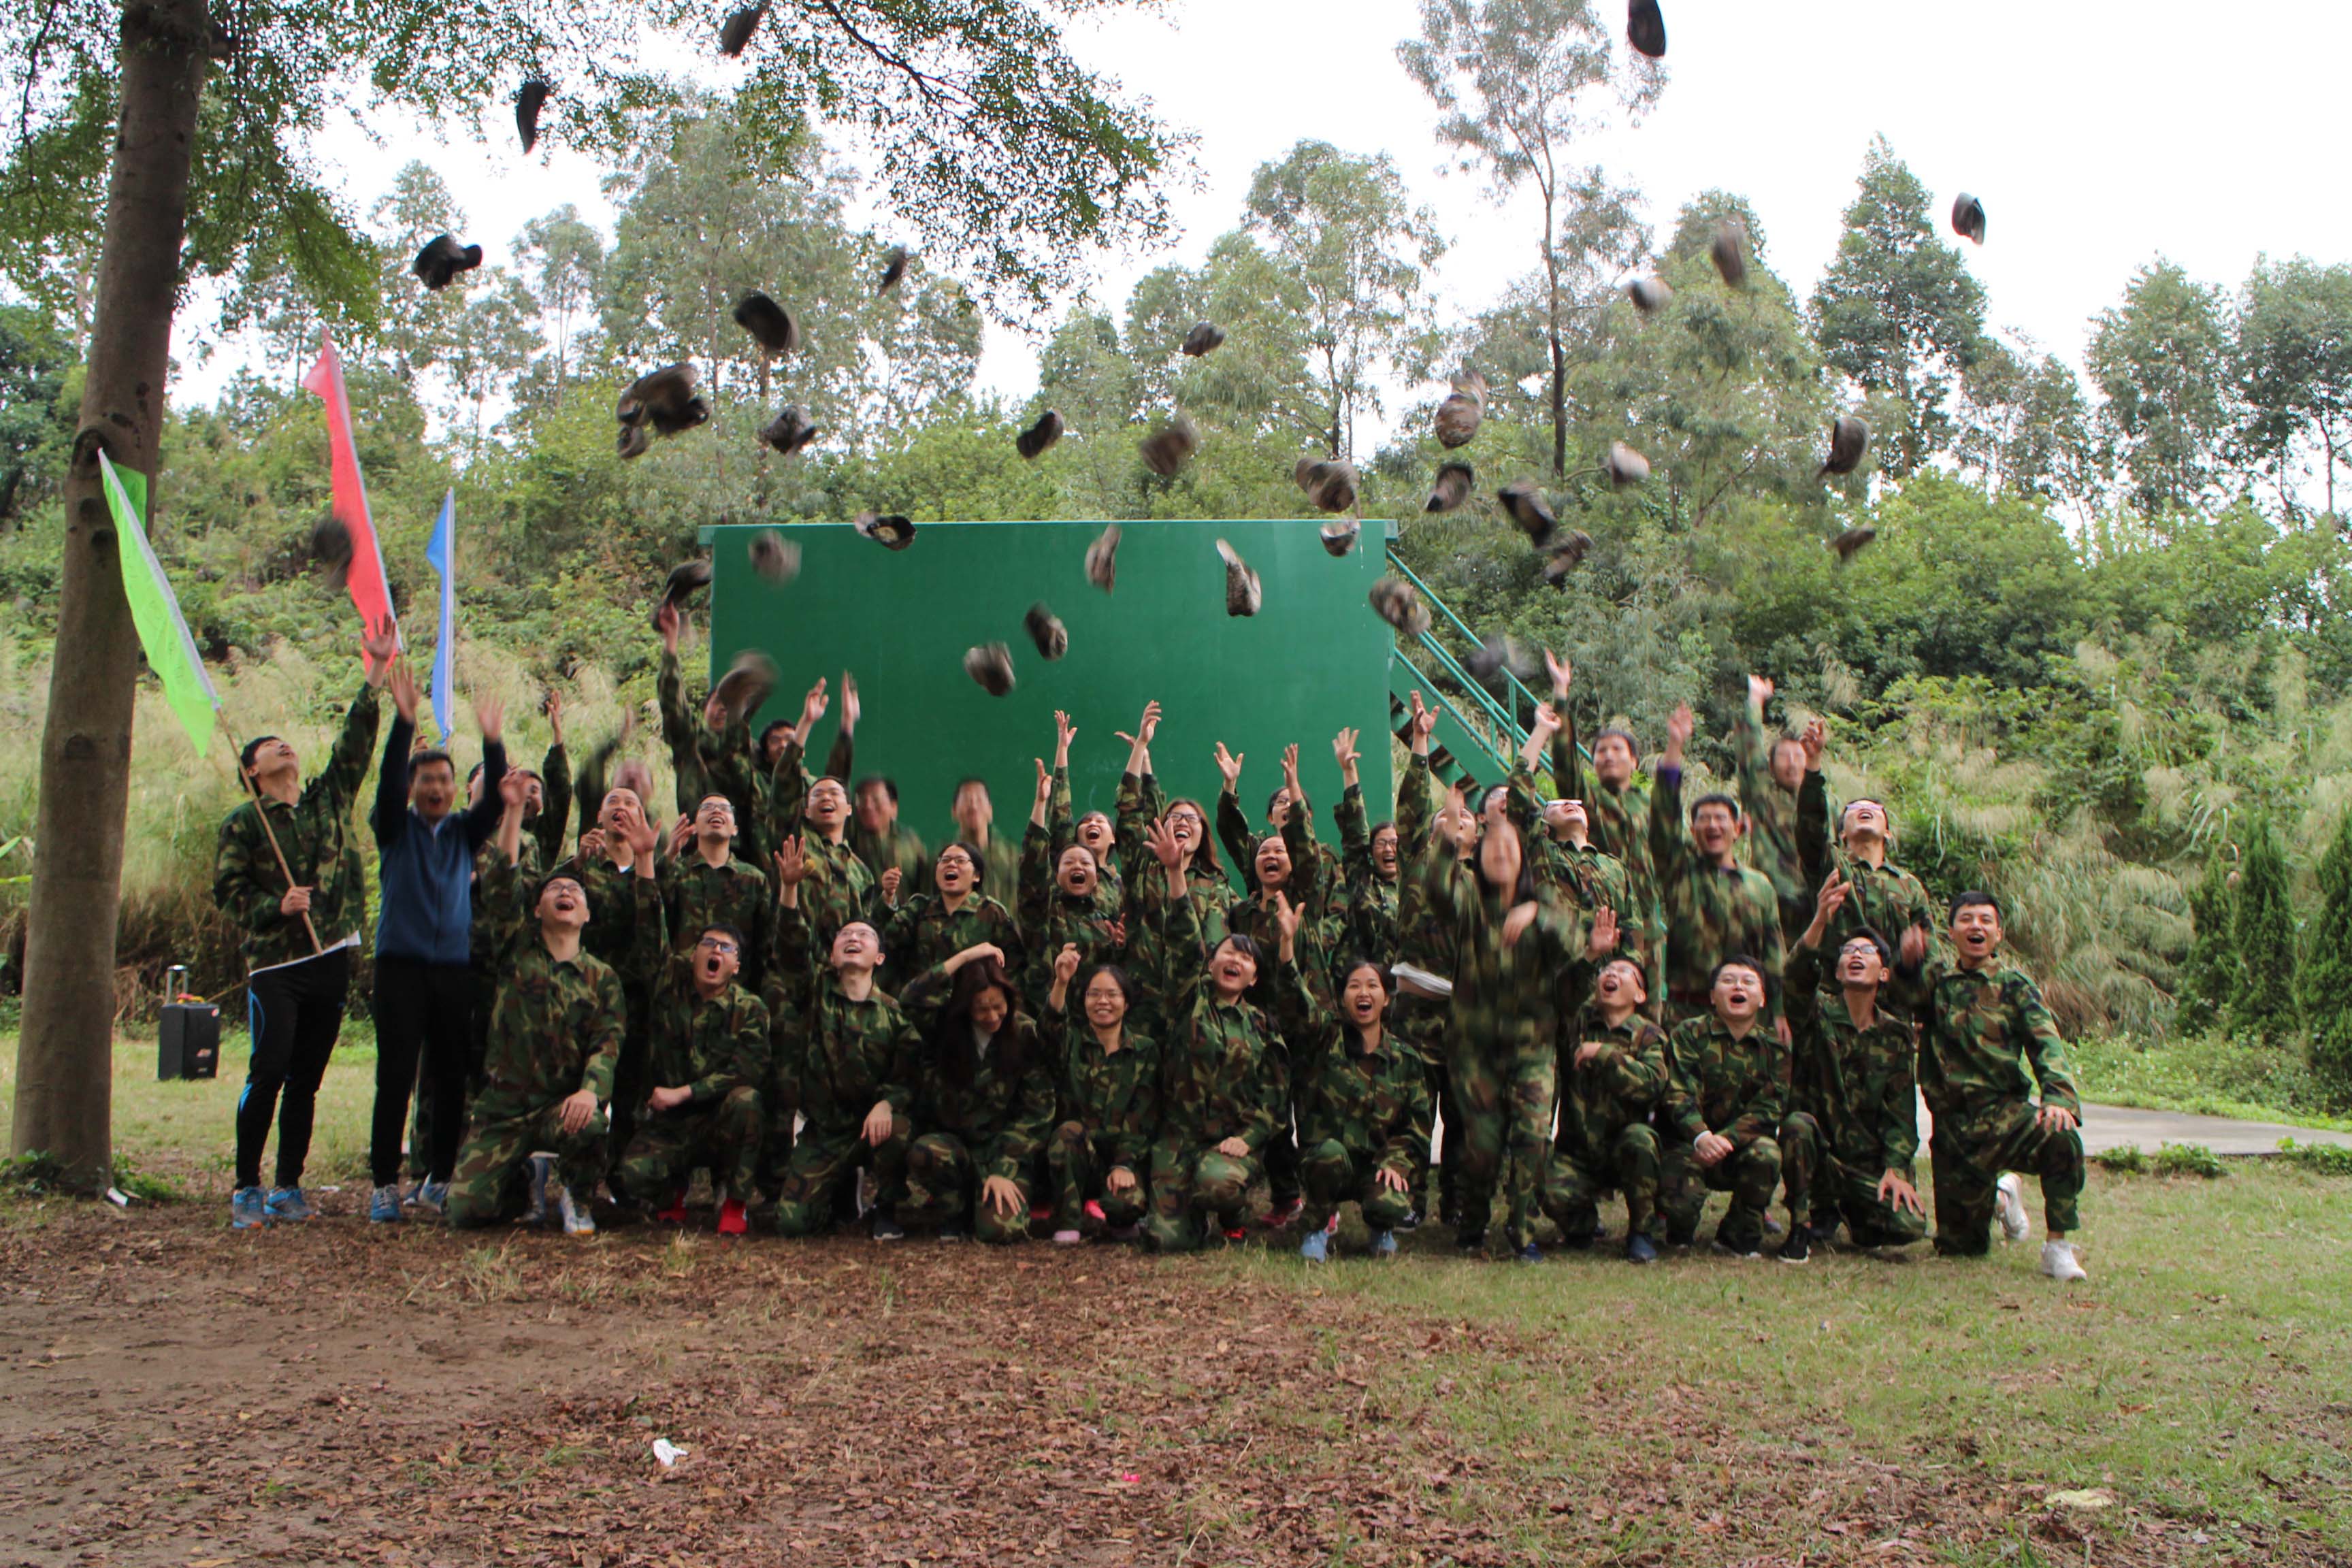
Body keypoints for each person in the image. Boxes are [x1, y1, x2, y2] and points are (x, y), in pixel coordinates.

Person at [212, 616, 394, 1228]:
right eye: (268, 747)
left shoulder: (326, 801)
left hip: (330, 957)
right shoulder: (244, 822)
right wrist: (276, 908)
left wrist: (374, 674)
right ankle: (246, 1187)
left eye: (284, 742)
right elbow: (228, 890)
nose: (282, 746)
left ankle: (289, 1184)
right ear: (251, 772)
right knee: (268, 1070)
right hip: (277, 966)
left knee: (307, 1079)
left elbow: (355, 745)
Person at [445, 774, 636, 1235]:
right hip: (504, 1110)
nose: (566, 893)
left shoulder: (601, 977)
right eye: (555, 890)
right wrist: (511, 812)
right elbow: (501, 884)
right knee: (464, 1212)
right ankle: (517, 1184)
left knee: (590, 1121)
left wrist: (591, 1089)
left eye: (575, 892)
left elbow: (607, 1044)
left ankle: (577, 1195)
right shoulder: (515, 950)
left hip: (560, 1108)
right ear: (537, 909)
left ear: (588, 915)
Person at [1420, 787, 1587, 1263]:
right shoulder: (1470, 902)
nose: (1499, 853)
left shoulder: (1546, 907)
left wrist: (1539, 913)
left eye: (1509, 848)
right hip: (1476, 1052)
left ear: (1524, 860)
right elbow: (1436, 887)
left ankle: (1521, 1227)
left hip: (1533, 1049)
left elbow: (1576, 952)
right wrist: (1450, 835)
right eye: (1492, 846)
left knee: (1533, 1137)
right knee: (1483, 1144)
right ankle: (1472, 1222)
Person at [369, 662, 506, 1224]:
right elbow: (384, 786)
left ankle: (439, 1179)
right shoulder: (394, 830)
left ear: (454, 791)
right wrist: (404, 723)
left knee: (451, 1077)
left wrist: (494, 743)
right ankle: (384, 1184)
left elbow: (494, 803)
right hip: (399, 967)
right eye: (425, 781)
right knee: (396, 1075)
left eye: (444, 782)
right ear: (412, 790)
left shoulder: (462, 835)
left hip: (454, 970)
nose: (436, 789)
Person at [1895, 892, 2089, 1281]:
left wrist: (2059, 1098)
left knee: (2061, 1138)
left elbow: (2045, 1042)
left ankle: (2057, 1247)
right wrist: (1907, 962)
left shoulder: (2014, 986)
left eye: (1986, 920)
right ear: (1951, 932)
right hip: (1953, 1131)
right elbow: (1901, 998)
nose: (1976, 927)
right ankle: (2003, 1194)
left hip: (2004, 1116)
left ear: (1999, 933)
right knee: (1961, 1249)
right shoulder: (1937, 984)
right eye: (1966, 919)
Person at [1140, 817, 1288, 1253]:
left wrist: (1251, 1137)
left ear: (1255, 977)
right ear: (1212, 962)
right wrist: (1174, 873)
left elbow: (1274, 1097)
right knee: (1165, 1240)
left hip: (1228, 1139)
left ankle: (1231, 1214)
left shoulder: (1262, 1026)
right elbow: (1185, 942)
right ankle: (1191, 1221)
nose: (1234, 962)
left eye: (1245, 959)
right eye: (1227, 953)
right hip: (1179, 1137)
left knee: (1218, 1186)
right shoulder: (1188, 999)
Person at [768, 834, 919, 1239]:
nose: (853, 939)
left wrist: (887, 1103)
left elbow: (908, 1075)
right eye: (844, 937)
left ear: (879, 958)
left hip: (873, 1127)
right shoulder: (813, 992)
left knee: (900, 1130)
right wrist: (789, 888)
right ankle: (838, 1190)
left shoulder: (893, 1014)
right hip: (826, 1131)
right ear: (832, 955)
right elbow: (792, 948)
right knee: (792, 1225)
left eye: (865, 936)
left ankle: (885, 1206)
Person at [1776, 874, 1927, 1262]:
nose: (1857, 955)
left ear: (1885, 973)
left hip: (1863, 1166)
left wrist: (1895, 1168)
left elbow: (1901, 1112)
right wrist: (1821, 920)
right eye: (1848, 951)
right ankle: (1803, 1223)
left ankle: (1853, 1215)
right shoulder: (1817, 1014)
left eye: (1869, 951)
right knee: (1796, 1126)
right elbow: (1795, 978)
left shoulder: (1895, 1034)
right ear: (1838, 972)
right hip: (1819, 1155)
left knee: (1909, 1227)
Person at [620, 891, 770, 1237]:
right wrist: (645, 863)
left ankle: (735, 1203)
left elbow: (749, 1069)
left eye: (726, 948)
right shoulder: (669, 985)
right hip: (670, 1125)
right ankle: (671, 1193)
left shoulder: (750, 1008)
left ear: (736, 967)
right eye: (709, 943)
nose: (716, 950)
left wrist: (684, 1093)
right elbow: (648, 937)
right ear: (693, 954)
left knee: (748, 1101)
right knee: (633, 1175)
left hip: (720, 1121)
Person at [894, 945, 1058, 1243]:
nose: (993, 1016)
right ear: (965, 1006)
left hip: (1005, 1153)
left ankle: (989, 1202)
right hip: (959, 1149)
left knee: (1001, 1231)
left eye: (999, 1006)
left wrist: (1002, 1169)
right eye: (982, 1009)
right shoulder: (945, 1030)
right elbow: (910, 999)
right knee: (925, 1152)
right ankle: (954, 1210)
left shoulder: (1024, 1033)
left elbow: (1037, 1112)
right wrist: (966, 958)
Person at [1280, 938, 1430, 1263]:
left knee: (1390, 1199)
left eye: (1372, 986)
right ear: (1343, 998)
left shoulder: (1406, 1060)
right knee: (1330, 1156)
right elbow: (1296, 997)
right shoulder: (1323, 1040)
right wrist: (1288, 943)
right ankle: (1316, 1228)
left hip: (1375, 1165)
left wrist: (1396, 1161)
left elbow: (1417, 1127)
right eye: (1354, 986)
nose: (1363, 993)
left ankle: (1381, 1227)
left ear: (1386, 998)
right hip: (1328, 1162)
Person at [1650, 703, 1786, 1029]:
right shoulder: (1680, 870)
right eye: (1704, 819)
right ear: (1693, 830)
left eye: (1721, 819)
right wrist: (1675, 746)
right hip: (1687, 1016)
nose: (1713, 826)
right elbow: (1663, 819)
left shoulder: (1759, 885)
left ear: (1739, 829)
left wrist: (1778, 1012)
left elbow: (1774, 955)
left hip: (1748, 1020)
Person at [1540, 930, 1671, 1266]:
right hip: (1580, 1149)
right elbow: (1564, 992)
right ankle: (1583, 1225)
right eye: (1606, 971)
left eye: (1625, 972)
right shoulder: (1580, 1021)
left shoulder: (1650, 1035)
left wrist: (1604, 1055)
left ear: (1640, 994)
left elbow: (1651, 1084)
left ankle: (1641, 1231)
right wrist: (1590, 955)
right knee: (1548, 1187)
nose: (1612, 974)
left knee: (1641, 1141)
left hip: (1624, 1148)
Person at [1548, 651, 1662, 1015]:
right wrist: (1561, 697)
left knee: (1650, 1016)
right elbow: (1566, 766)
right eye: (1600, 751)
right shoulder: (1589, 800)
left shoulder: (1652, 806)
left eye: (1617, 749)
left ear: (1634, 761)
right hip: (1602, 922)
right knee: (1599, 1011)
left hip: (1651, 929)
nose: (1608, 756)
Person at [1657, 957, 1790, 1257]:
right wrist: (1702, 1137)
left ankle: (1737, 1234)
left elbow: (1769, 1109)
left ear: (1762, 999)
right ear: (1712, 996)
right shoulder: (1688, 1035)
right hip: (1688, 1146)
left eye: (1748, 981)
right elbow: (1677, 1094)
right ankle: (1676, 1227)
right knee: (1680, 1222)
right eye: (1728, 980)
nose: (1738, 986)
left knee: (1767, 1153)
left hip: (1736, 1148)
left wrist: (1726, 1140)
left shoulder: (1775, 1049)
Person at [1795, 717, 1933, 1002]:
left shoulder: (1909, 886)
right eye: (1855, 809)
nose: (1864, 809)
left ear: (1889, 834)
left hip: (1892, 1005)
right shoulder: (1831, 864)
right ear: (1842, 833)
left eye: (1874, 809)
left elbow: (1929, 950)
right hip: (1834, 1002)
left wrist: (1913, 963)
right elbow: (1811, 824)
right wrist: (1813, 764)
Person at [1040, 945, 1158, 1243]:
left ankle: (1115, 1214)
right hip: (1079, 1156)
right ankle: (1069, 1219)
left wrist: (1124, 1163)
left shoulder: (1145, 1050)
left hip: (1120, 1158)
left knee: (1126, 1207)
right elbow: (1051, 1028)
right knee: (1067, 1133)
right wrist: (1062, 982)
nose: (1102, 1001)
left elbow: (1143, 1116)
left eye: (1112, 994)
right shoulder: (1073, 1042)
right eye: (1094, 994)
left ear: (1126, 1003)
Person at [764, 679, 877, 948]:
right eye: (817, 795)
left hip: (840, 973)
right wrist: (806, 723)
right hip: (792, 966)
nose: (826, 797)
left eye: (834, 795)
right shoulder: (795, 839)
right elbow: (784, 785)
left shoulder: (861, 871)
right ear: (805, 809)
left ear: (849, 809)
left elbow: (865, 929)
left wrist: (848, 723)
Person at [1019, 760, 1126, 1008]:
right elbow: (1032, 868)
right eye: (1069, 862)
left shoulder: (1106, 919)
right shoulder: (1045, 908)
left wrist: (1120, 947)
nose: (1078, 867)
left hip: (1096, 1015)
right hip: (1047, 1012)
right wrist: (1040, 803)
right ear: (1056, 874)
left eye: (1085, 863)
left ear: (1096, 878)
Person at [878, 839, 1026, 994]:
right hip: (925, 1006)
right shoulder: (918, 909)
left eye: (960, 861)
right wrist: (888, 898)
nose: (951, 864)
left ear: (976, 876)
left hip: (974, 1008)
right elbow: (882, 941)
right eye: (945, 860)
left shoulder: (992, 912)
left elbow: (1015, 967)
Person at [662, 794, 772, 992]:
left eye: (725, 808)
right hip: (680, 992)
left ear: (735, 829)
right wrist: (669, 855)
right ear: (694, 827)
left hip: (737, 994)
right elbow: (653, 918)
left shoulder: (754, 879)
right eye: (707, 807)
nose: (716, 811)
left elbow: (765, 943)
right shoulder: (675, 872)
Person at [1735, 675, 1812, 942]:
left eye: (1798, 756)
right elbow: (1750, 751)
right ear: (1771, 765)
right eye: (1783, 757)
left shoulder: (1822, 802)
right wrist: (1755, 701)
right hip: (1772, 905)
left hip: (1815, 909)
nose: (1791, 764)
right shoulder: (1763, 797)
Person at [1329, 727, 1402, 970]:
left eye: (1395, 843)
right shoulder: (1363, 880)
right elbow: (1356, 835)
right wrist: (1350, 773)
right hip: (1360, 980)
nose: (1389, 849)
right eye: (1382, 843)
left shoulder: (1415, 888)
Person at [853, 774, 930, 900]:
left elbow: (924, 882)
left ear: (893, 807)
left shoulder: (909, 840)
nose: (868, 806)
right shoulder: (850, 837)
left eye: (876, 800)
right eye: (862, 800)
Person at [951, 776, 1022, 911]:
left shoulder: (1012, 855)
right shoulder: (943, 861)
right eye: (966, 800)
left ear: (990, 811)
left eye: (979, 799)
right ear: (954, 811)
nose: (973, 805)